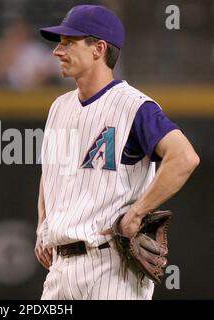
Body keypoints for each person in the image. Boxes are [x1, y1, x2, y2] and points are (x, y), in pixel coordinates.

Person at [35, 4, 200, 300]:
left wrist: (138, 212)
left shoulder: (134, 106)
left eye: (68, 42)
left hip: (111, 268)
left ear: (98, 48)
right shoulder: (59, 107)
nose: (57, 51)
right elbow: (50, 174)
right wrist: (42, 226)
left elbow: (184, 157)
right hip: (59, 271)